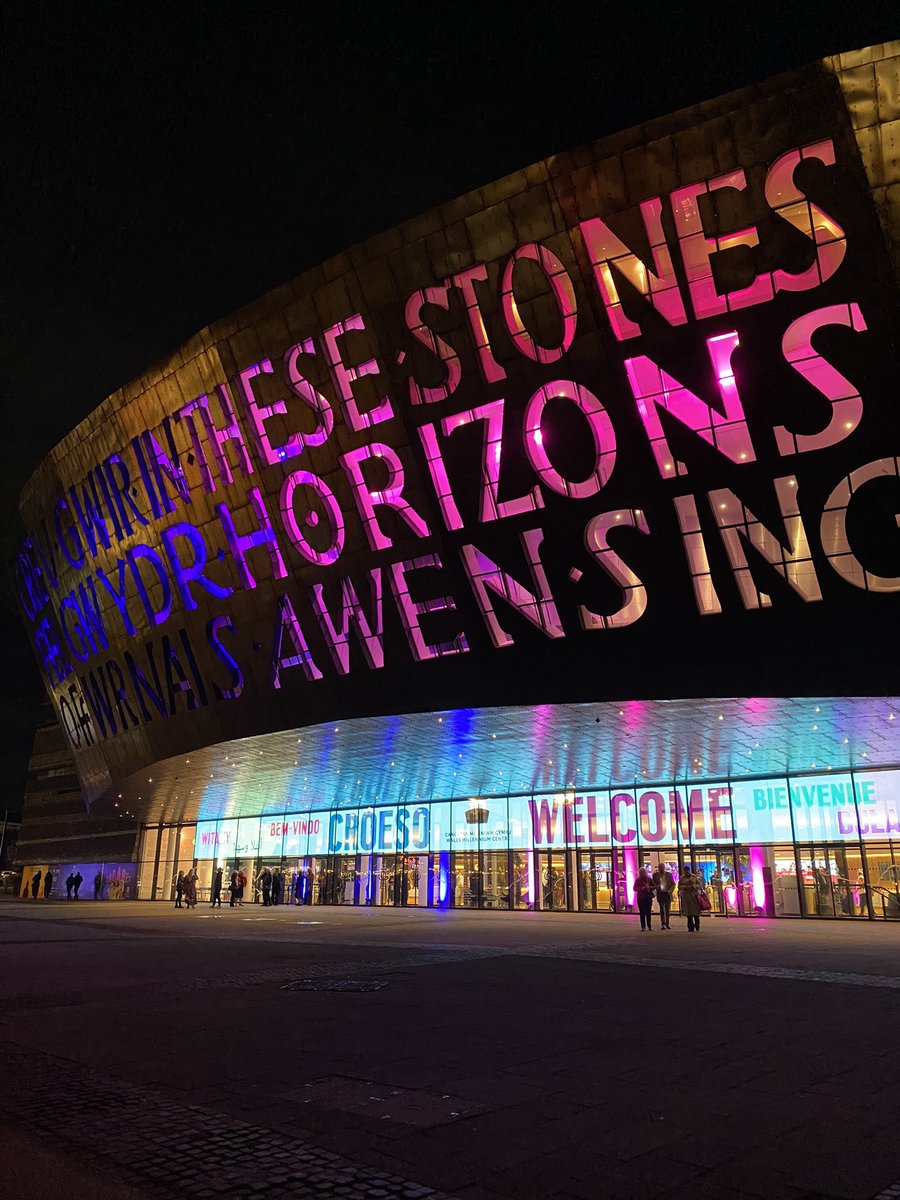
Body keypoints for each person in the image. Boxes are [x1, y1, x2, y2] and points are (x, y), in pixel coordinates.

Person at [679, 864, 702, 932]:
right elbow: (679, 886)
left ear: (689, 871)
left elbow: (699, 885)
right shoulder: (682, 878)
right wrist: (685, 887)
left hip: (694, 896)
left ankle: (697, 926)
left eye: (687, 871)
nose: (686, 873)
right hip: (686, 897)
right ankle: (690, 927)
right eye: (685, 872)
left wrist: (693, 886)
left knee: (695, 913)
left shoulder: (694, 877)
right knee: (688, 913)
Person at [652, 862, 675, 928]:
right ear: (658, 868)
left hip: (667, 893)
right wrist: (656, 887)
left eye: (662, 867)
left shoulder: (669, 875)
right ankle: (663, 923)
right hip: (660, 893)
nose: (661, 869)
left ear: (664, 868)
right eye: (660, 867)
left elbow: (673, 884)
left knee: (667, 909)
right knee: (662, 909)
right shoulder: (655, 875)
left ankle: (667, 923)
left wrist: (670, 891)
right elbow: (653, 884)